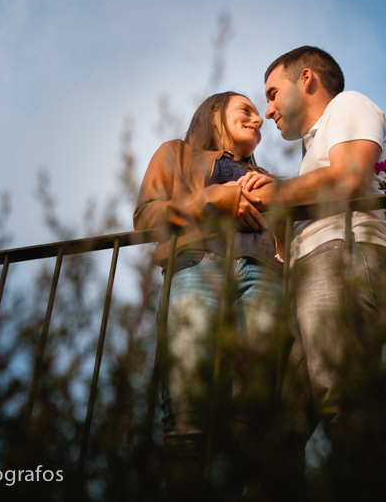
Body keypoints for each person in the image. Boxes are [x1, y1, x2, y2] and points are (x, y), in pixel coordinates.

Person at [245, 46, 386, 499]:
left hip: (342, 257)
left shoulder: (348, 106)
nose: (268, 110)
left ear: (307, 79)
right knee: (283, 431)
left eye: (273, 93)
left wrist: (275, 193)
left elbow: (349, 176)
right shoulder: (312, 147)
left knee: (341, 393)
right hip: (317, 269)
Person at [133, 92, 283, 500]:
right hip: (198, 265)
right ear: (215, 113)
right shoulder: (176, 154)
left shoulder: (267, 176)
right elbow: (146, 217)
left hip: (265, 276)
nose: (258, 120)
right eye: (246, 110)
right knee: (187, 409)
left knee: (251, 418)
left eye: (259, 115)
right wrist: (214, 199)